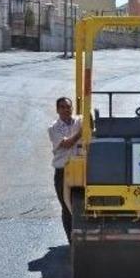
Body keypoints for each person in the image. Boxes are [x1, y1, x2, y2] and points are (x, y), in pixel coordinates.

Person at [48, 97, 82, 243]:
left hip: (81, 169)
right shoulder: (54, 128)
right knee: (67, 206)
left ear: (72, 108)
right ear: (57, 110)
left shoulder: (80, 121)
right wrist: (81, 133)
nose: (65, 110)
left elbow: (91, 123)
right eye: (62, 107)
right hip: (63, 171)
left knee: (82, 204)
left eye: (68, 107)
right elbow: (67, 144)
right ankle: (72, 241)